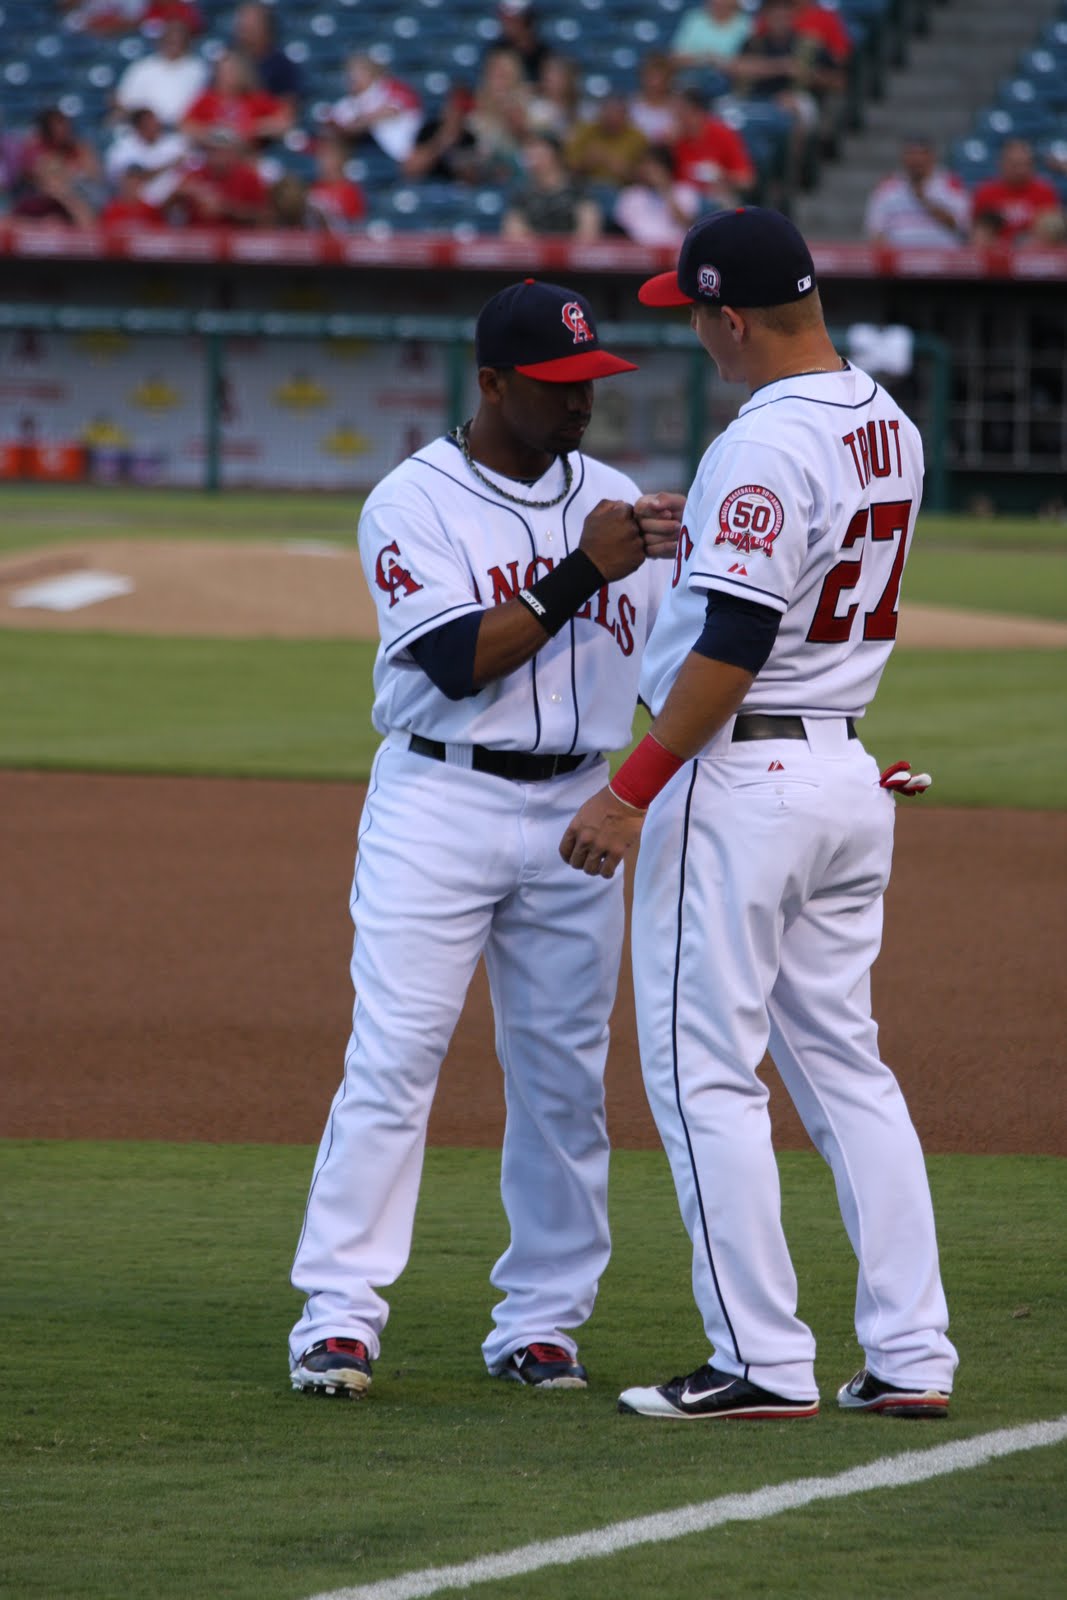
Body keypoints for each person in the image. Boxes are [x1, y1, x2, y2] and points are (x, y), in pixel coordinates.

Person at [560, 206, 959, 1422]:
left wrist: (629, 788)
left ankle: (759, 1359)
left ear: (729, 317)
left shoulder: (761, 439)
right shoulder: (886, 420)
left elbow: (734, 641)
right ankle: (911, 1353)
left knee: (703, 1075)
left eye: (694, 313)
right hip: (842, 772)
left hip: (740, 781)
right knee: (845, 1071)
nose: (693, 332)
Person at [287, 279, 685, 1400]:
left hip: (579, 809)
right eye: (557, 386)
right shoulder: (410, 502)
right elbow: (457, 660)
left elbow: (673, 671)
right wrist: (585, 569)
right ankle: (337, 1316)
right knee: (394, 1056)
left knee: (563, 1076)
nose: (580, 403)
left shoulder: (615, 500)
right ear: (494, 383)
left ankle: (542, 1321)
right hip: (439, 801)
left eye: (591, 382)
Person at [864, 139, 970, 247]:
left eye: (921, 154)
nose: (916, 160)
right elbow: (876, 231)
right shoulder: (887, 187)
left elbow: (963, 226)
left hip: (944, 254)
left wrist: (924, 201)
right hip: (900, 255)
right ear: (903, 158)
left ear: (932, 157)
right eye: (911, 154)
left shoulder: (950, 184)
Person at [181, 49, 293, 150]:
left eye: (232, 71)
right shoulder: (207, 98)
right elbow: (186, 125)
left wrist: (250, 128)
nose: (227, 76)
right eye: (223, 71)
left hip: (248, 155)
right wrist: (215, 135)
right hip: (213, 156)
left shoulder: (255, 98)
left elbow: (283, 122)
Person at [501, 134, 601, 241]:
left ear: (555, 155)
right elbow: (513, 231)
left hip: (572, 249)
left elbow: (588, 231)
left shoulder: (579, 189)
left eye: (539, 153)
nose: (533, 159)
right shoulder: (521, 193)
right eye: (530, 153)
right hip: (533, 250)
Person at [330, 53, 424, 165]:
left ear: (372, 71)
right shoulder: (348, 102)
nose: (354, 78)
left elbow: (391, 111)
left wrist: (358, 123)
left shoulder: (390, 87)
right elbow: (334, 123)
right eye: (351, 74)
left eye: (360, 72)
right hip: (380, 150)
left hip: (413, 146)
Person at [113, 19, 207, 128]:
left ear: (188, 42)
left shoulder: (198, 68)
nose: (175, 44)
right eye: (170, 39)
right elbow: (122, 101)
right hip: (143, 128)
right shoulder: (143, 66)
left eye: (180, 40)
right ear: (161, 41)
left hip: (183, 130)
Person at [971, 138, 1064, 246]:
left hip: (1034, 250)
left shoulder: (1045, 191)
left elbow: (1054, 233)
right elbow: (977, 232)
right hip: (996, 250)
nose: (1021, 170)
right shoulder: (986, 192)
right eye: (1015, 165)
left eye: (1026, 164)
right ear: (1002, 164)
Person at [671, 88, 755, 204]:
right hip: (683, 201)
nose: (677, 118)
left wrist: (721, 175)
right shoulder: (673, 140)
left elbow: (746, 180)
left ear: (698, 112)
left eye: (681, 112)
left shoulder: (722, 134)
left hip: (718, 198)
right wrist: (667, 146)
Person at [613, 145, 703, 247]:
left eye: (653, 167)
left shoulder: (685, 192)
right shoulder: (631, 194)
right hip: (638, 250)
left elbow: (686, 225)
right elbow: (620, 231)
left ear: (666, 168)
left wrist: (665, 190)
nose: (648, 172)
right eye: (645, 166)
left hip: (674, 249)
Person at [564, 93, 649, 188]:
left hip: (623, 188)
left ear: (626, 116)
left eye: (616, 114)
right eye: (607, 114)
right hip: (586, 185)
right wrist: (585, 162)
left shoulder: (638, 138)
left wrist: (625, 170)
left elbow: (647, 173)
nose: (611, 119)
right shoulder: (586, 132)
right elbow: (569, 165)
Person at [231, 2, 301, 110]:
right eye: (242, 26)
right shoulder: (228, 63)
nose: (245, 31)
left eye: (252, 26)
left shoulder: (281, 66)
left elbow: (287, 112)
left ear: (266, 27)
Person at [669, 0, 753, 72]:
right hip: (693, 75)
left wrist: (722, 63)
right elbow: (675, 57)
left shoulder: (746, 23)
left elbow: (751, 63)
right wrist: (706, 59)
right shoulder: (694, 18)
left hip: (731, 78)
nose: (720, 2)